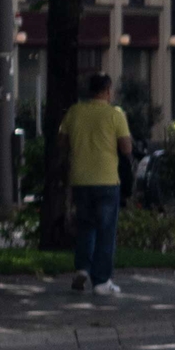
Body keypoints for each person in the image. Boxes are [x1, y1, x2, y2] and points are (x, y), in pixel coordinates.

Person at [58, 73, 132, 295]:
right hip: (107, 179)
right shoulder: (115, 114)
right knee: (105, 231)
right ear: (108, 90)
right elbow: (126, 148)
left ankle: (82, 268)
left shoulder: (74, 112)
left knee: (85, 227)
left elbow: (62, 142)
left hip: (80, 179)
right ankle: (101, 281)